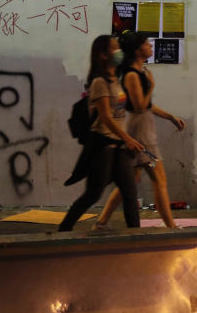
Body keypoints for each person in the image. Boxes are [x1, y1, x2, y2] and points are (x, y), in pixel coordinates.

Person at [92, 32, 186, 229]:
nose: (151, 47)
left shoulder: (140, 72)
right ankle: (171, 226)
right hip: (140, 133)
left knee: (131, 180)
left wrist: (170, 117)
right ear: (137, 50)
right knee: (159, 179)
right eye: (147, 44)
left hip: (142, 128)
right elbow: (140, 105)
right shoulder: (132, 75)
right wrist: (151, 86)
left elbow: (148, 105)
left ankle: (101, 222)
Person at [59, 35, 144, 231]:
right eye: (114, 48)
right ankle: (64, 230)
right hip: (103, 146)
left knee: (130, 192)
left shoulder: (116, 80)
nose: (118, 51)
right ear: (103, 55)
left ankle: (137, 237)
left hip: (119, 145)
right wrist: (128, 138)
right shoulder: (99, 82)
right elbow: (105, 117)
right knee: (93, 194)